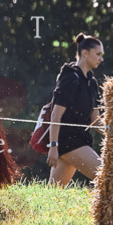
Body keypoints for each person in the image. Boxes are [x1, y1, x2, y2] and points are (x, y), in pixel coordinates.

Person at [46, 33, 105, 187]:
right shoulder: (70, 78)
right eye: (98, 54)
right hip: (69, 142)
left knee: (53, 194)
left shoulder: (92, 83)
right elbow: (56, 114)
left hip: (79, 140)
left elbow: (95, 121)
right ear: (85, 53)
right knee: (106, 178)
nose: (101, 59)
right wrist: (53, 146)